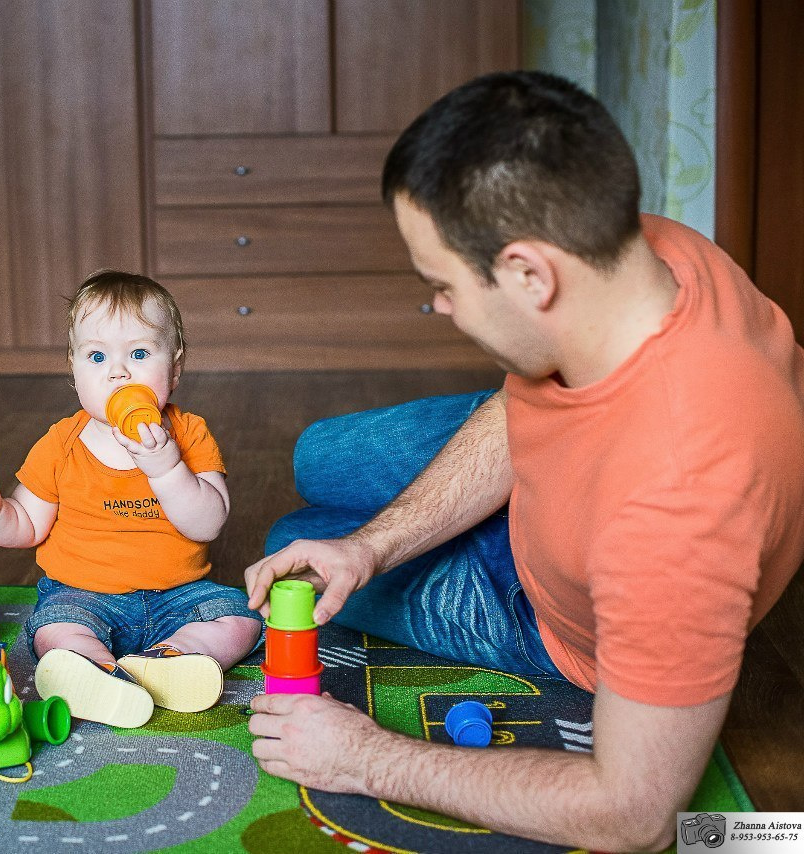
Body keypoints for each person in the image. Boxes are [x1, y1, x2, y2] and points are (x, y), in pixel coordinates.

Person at [243, 71, 804, 852]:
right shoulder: (642, 255)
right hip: (582, 490)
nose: (437, 307)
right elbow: (527, 404)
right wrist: (368, 546)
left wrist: (364, 757)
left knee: (284, 546)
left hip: (555, 609)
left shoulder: (677, 509)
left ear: (530, 275)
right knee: (318, 462)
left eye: (443, 285)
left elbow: (633, 816)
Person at [0, 269, 262, 728]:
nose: (118, 371)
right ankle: (94, 669)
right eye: (97, 356)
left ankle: (173, 658)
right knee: (56, 629)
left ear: (174, 370)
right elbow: (27, 526)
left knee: (241, 617)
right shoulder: (61, 443)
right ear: (74, 371)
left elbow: (207, 523)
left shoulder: (189, 434)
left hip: (179, 594)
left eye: (138, 353)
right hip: (82, 595)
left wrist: (166, 467)